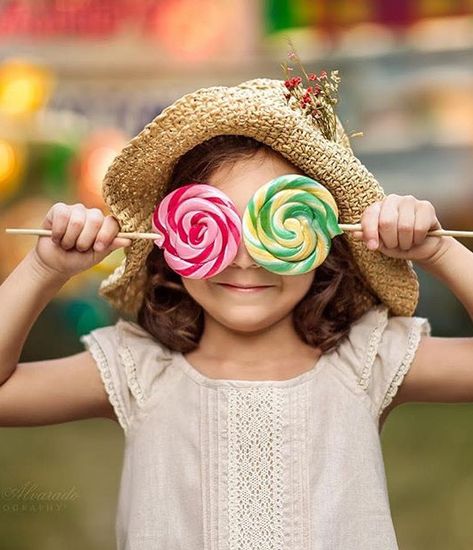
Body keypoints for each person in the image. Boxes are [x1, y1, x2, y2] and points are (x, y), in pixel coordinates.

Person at [1, 75, 472, 550]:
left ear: (323, 239)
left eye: (278, 229)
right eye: (215, 226)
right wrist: (44, 267)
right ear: (171, 241)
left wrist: (439, 251)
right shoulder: (137, 369)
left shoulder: (366, 359)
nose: (245, 259)